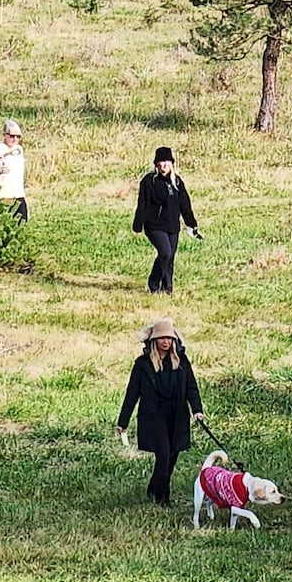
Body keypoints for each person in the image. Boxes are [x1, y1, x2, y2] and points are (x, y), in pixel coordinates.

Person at [116, 319, 205, 507]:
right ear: (154, 340)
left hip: (177, 414)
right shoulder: (142, 364)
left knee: (172, 455)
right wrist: (123, 421)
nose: (166, 342)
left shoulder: (181, 360)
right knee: (163, 454)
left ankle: (153, 487)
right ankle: (162, 498)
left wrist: (197, 410)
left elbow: (191, 386)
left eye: (169, 338)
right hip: (154, 416)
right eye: (162, 338)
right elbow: (132, 393)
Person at [132, 146, 200, 295]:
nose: (163, 165)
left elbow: (185, 205)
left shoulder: (177, 182)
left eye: (166, 162)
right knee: (165, 253)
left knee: (170, 258)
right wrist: (138, 225)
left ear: (171, 163)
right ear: (156, 164)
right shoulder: (149, 181)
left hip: (173, 226)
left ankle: (167, 288)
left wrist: (192, 225)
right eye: (160, 162)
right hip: (154, 225)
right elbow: (142, 203)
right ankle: (153, 285)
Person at [0, 119, 28, 221]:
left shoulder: (19, 150)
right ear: (4, 135)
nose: (15, 139)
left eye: (18, 136)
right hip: (0, 198)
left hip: (17, 196)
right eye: (11, 136)